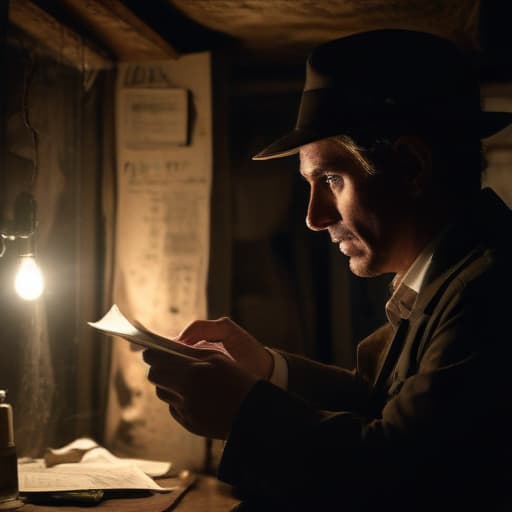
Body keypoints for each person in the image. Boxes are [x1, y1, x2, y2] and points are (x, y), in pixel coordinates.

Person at [143, 29, 512, 511]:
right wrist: (268, 371)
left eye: (332, 179)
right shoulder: (450, 275)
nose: (315, 217)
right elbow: (384, 405)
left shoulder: (487, 290)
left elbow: (399, 473)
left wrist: (246, 410)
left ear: (411, 165)